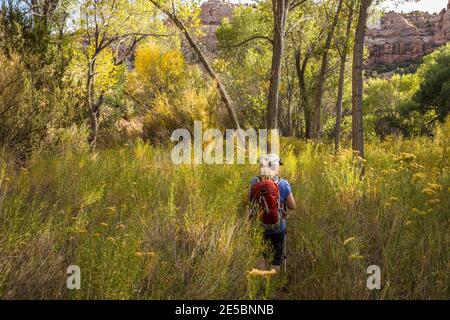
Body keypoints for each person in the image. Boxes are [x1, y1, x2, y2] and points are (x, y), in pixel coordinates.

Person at [248, 154, 296, 272]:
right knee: (276, 259)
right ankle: (273, 284)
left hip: (258, 226)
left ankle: (261, 285)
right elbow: (292, 206)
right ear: (275, 167)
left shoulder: (255, 181)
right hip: (278, 227)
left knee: (260, 256)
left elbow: (248, 201)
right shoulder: (283, 183)